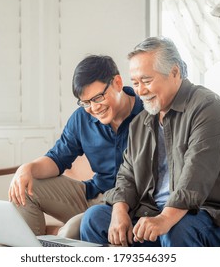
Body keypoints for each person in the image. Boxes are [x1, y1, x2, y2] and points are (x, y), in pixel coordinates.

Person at [80, 37, 220, 247]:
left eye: (147, 81)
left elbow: (196, 175)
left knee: (177, 229)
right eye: (135, 83)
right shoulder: (140, 122)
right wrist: (119, 209)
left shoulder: (207, 107)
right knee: (95, 219)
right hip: (159, 216)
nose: (140, 90)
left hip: (219, 217)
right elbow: (127, 175)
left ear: (175, 72)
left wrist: (164, 219)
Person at [8, 54, 143, 239]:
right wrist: (27, 169)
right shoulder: (82, 118)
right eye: (85, 102)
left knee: (69, 232)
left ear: (117, 83)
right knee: (23, 187)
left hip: (132, 204)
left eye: (98, 98)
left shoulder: (149, 113)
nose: (94, 108)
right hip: (93, 194)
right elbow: (57, 159)